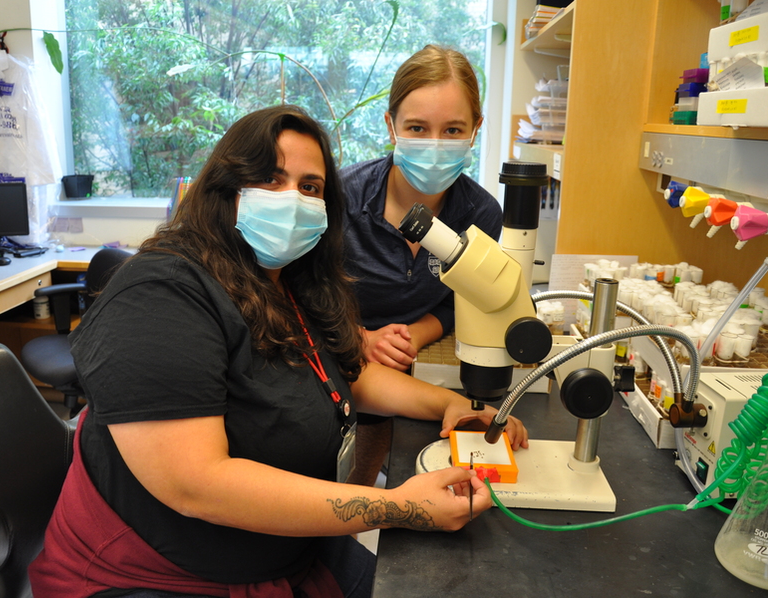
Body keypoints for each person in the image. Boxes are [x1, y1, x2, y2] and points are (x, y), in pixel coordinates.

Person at [28, 105, 527, 598]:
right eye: (270, 179)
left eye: (310, 187)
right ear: (226, 189)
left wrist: (447, 404)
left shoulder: (288, 282)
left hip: (289, 552)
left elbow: (348, 373)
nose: (293, 199)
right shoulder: (161, 293)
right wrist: (395, 505)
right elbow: (196, 483)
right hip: (158, 575)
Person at [340, 45, 504, 486]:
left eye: (453, 129)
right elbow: (294, 295)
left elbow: (463, 303)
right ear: (391, 126)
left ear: (475, 130)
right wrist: (360, 338)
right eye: (417, 127)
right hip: (334, 355)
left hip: (415, 361)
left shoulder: (481, 214)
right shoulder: (340, 200)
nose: (435, 145)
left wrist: (413, 335)